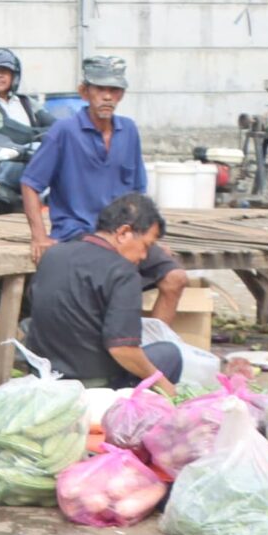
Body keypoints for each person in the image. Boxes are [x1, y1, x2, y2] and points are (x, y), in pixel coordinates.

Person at [20, 55, 187, 323]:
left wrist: (148, 238)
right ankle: (119, 352)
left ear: (121, 94)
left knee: (175, 278)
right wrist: (39, 236)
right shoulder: (64, 131)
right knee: (121, 280)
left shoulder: (129, 130)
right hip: (79, 233)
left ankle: (152, 353)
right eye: (100, 89)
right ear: (84, 92)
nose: (107, 97)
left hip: (126, 235)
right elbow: (30, 183)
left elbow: (138, 192)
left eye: (114, 90)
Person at [23, 195, 185, 389]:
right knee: (170, 354)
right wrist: (165, 385)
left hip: (44, 375)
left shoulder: (53, 255)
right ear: (124, 232)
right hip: (94, 384)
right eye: (146, 246)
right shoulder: (122, 273)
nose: (143, 256)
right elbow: (122, 349)